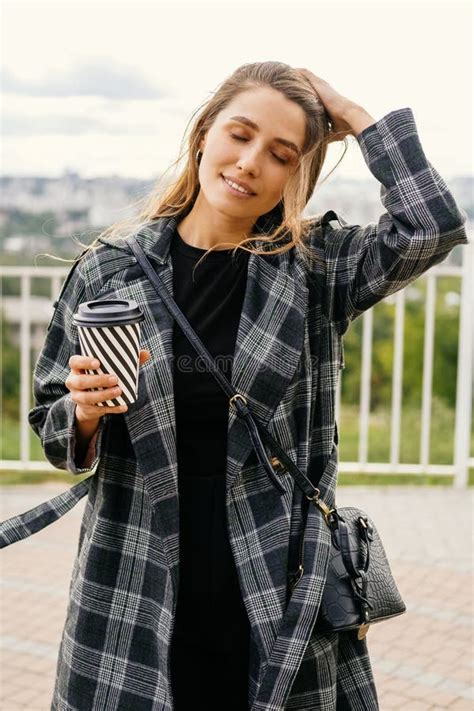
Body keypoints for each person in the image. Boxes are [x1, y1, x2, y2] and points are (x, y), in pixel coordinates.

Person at [0, 61, 468, 710]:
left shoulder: (315, 266)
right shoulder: (109, 269)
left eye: (280, 154)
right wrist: (81, 413)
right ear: (203, 134)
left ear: (296, 174)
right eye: (239, 134)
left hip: (274, 568)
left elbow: (432, 226)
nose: (251, 163)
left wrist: (353, 116)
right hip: (137, 561)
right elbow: (55, 428)